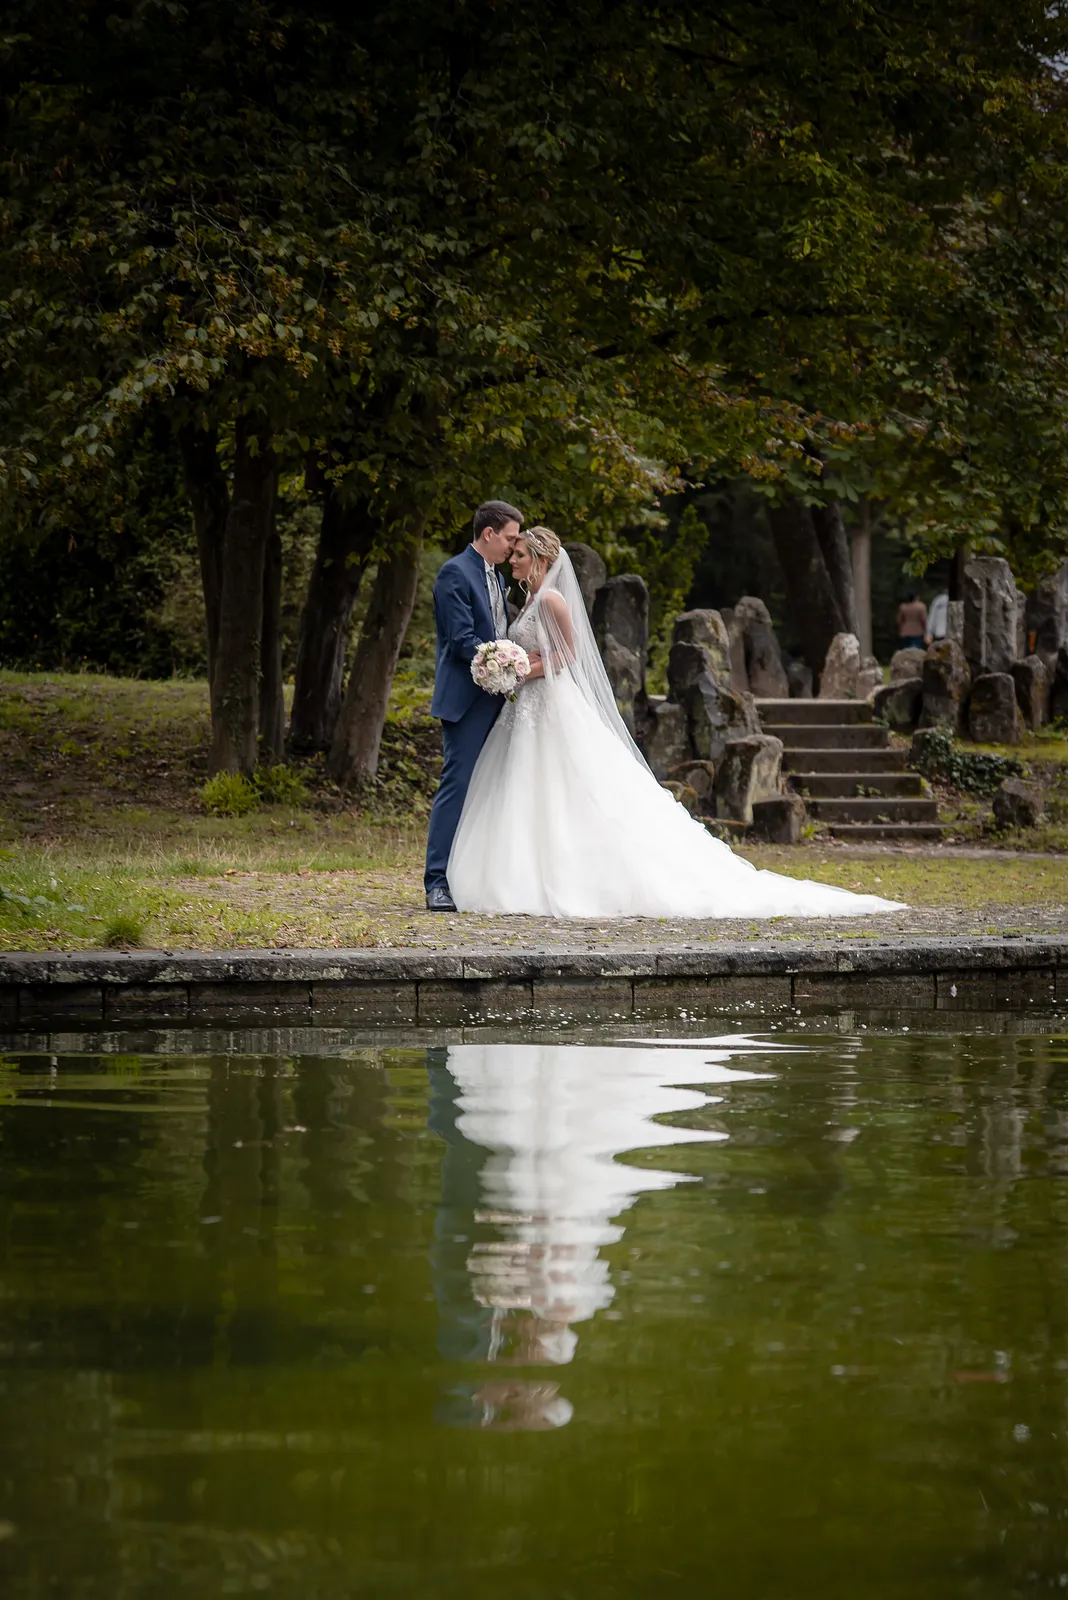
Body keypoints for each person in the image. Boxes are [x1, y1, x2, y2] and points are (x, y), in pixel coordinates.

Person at [446, 526, 906, 918]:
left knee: (563, 786)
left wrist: (522, 668)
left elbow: (567, 656)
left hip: (549, 704)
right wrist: (508, 667)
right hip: (525, 706)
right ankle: (521, 870)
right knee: (526, 787)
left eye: (520, 555)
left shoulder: (551, 602)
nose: (513, 561)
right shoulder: (524, 601)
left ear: (541, 558)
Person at [423, 498, 522, 911]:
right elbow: (461, 641)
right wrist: (505, 663)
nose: (514, 549)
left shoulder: (496, 578)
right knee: (458, 786)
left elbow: (496, 627)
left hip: (499, 697)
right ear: (488, 533)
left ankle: (477, 877)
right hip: (467, 699)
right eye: (510, 539)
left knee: (493, 789)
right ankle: (437, 881)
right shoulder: (454, 572)